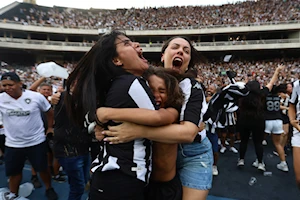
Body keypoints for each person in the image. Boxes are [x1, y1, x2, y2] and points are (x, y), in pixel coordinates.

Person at [98, 36, 213, 200]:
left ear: (188, 62)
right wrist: (97, 123)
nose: (180, 51)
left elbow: (188, 134)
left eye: (186, 51)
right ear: (162, 55)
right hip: (156, 157)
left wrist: (137, 131)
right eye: (175, 47)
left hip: (193, 155)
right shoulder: (147, 78)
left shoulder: (192, 86)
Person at [65, 30, 176, 200]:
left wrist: (103, 116)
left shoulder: (119, 84)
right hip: (121, 179)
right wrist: (174, 111)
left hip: (113, 178)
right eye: (126, 43)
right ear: (116, 60)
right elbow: (158, 120)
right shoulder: (131, 82)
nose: (136, 45)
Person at [95, 67, 184, 200]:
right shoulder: (140, 114)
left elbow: (160, 118)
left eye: (162, 91)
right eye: (150, 90)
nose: (155, 95)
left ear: (171, 94)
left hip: (163, 187)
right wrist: (98, 126)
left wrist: (106, 112)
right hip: (142, 180)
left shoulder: (171, 112)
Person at [0, 72, 58, 200]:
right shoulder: (1, 99)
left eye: (11, 84)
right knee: (14, 172)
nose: (7, 88)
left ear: (20, 84)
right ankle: (13, 194)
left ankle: (49, 188)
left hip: (36, 142)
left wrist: (49, 127)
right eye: (4, 85)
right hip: (13, 144)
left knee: (43, 169)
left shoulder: (36, 97)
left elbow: (49, 112)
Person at [237, 65, 284, 171]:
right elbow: (271, 83)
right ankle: (260, 163)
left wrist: (245, 82)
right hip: (258, 120)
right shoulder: (262, 94)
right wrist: (276, 71)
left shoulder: (243, 95)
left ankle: (241, 160)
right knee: (258, 142)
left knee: (243, 141)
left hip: (244, 119)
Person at [50, 91, 92, 200]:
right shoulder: (63, 98)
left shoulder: (89, 97)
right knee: (78, 187)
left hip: (83, 148)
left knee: (83, 181)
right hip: (69, 151)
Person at [288, 79, 300, 189]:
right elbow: (291, 105)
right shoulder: (297, 84)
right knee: (299, 179)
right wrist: (292, 120)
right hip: (298, 132)